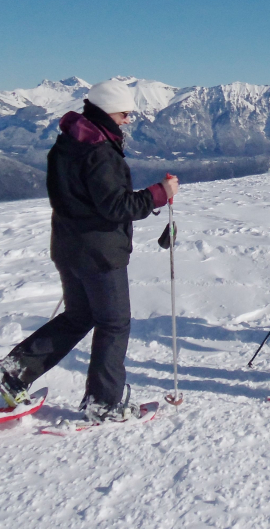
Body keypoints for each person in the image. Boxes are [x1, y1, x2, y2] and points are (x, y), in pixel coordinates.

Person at [0, 80, 179, 421]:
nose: (127, 121)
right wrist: (160, 192)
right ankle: (105, 403)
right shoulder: (100, 151)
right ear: (109, 111)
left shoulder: (67, 143)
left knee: (78, 316)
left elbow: (72, 197)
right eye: (125, 114)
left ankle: (12, 373)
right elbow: (115, 206)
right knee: (114, 323)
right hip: (100, 253)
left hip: (68, 247)